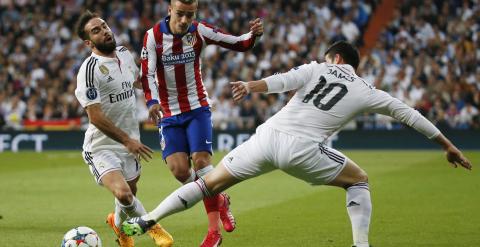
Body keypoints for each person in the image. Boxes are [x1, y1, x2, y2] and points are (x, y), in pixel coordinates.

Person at [121, 40, 473, 246]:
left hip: (267, 137)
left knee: (206, 183)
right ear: (352, 64)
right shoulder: (368, 91)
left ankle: (149, 218)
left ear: (334, 58)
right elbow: (408, 114)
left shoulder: (317, 67)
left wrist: (251, 85)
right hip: (304, 150)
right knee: (359, 180)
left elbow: (283, 80)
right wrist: (446, 144)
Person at [139, 0, 263, 245]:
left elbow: (239, 43)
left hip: (197, 108)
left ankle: (213, 234)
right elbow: (147, 73)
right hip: (169, 113)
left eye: (190, 14)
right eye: (180, 14)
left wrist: (253, 34)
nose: (185, 20)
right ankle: (220, 197)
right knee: (180, 171)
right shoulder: (152, 36)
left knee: (202, 163)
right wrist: (152, 101)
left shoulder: (200, 30)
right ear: (169, 10)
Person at [74, 11, 173, 247]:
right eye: (96, 30)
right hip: (102, 146)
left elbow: (137, 82)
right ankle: (153, 227)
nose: (105, 31)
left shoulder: (123, 54)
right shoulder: (89, 70)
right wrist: (127, 140)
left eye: (104, 26)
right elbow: (95, 117)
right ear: (89, 42)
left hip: (130, 143)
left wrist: (154, 97)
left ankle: (118, 227)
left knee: (129, 193)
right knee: (124, 194)